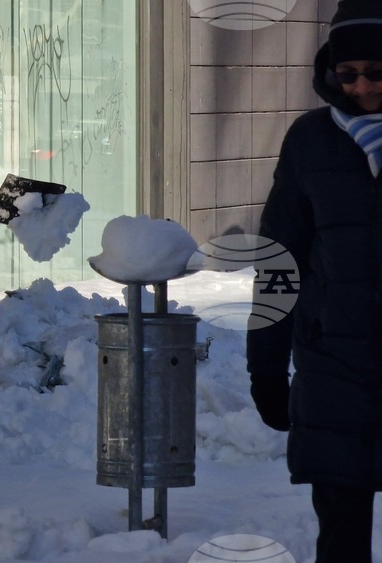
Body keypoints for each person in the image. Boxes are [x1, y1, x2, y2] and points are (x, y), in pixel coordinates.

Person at [247, 1, 382, 561]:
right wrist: (266, 368)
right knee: (342, 541)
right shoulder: (310, 141)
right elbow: (279, 263)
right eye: (346, 74)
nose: (361, 88)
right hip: (334, 372)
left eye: (377, 73)